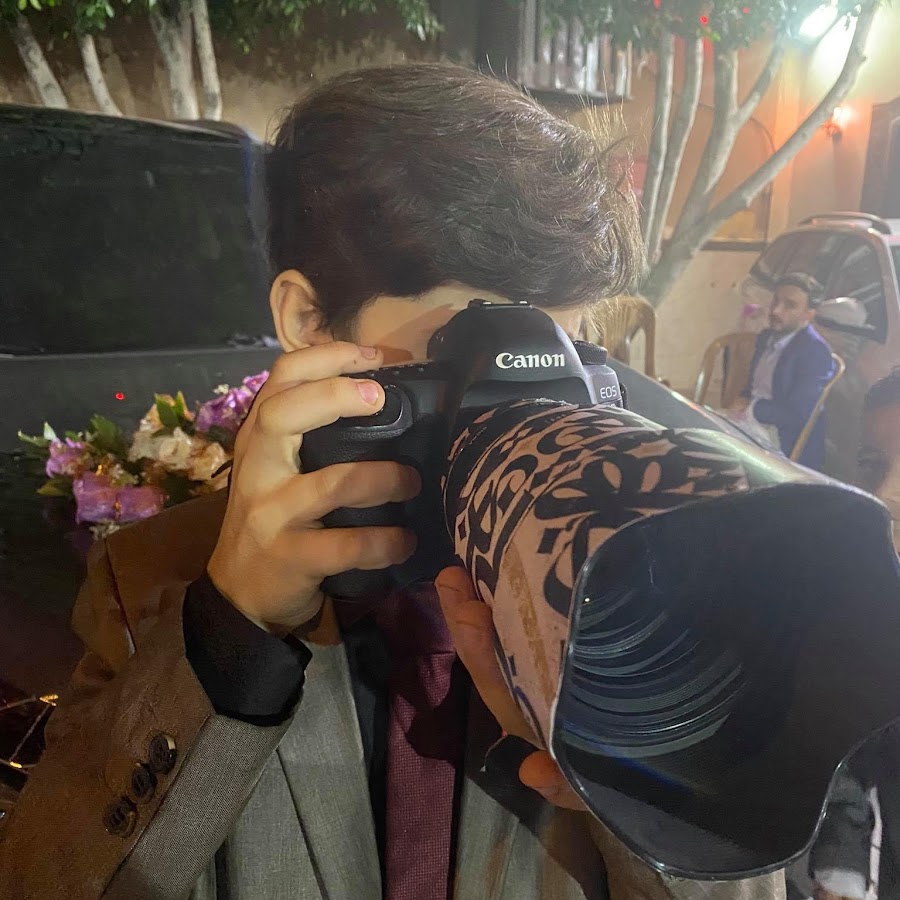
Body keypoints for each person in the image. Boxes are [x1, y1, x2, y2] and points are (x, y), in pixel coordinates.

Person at [0, 64, 785, 900]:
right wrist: (232, 637)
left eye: (555, 365)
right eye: (469, 359)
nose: (515, 424)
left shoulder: (636, 584)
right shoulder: (156, 580)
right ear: (309, 322)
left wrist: (640, 763)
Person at [791, 369, 900, 900]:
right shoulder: (866, 600)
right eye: (872, 465)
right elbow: (848, 751)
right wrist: (841, 871)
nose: (883, 495)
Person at [724, 272, 836, 470]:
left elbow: (797, 416)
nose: (776, 310)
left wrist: (751, 408)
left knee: (720, 452)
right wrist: (742, 400)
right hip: (752, 423)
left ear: (808, 315)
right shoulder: (766, 337)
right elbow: (754, 387)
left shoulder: (815, 352)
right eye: (776, 300)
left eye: (789, 305)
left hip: (782, 440)